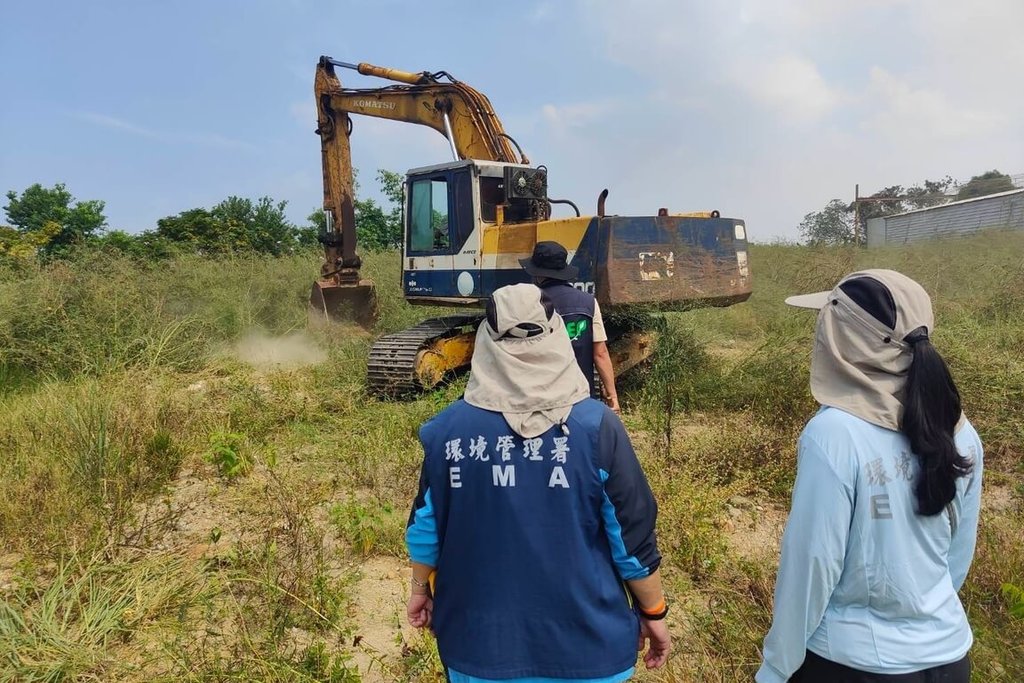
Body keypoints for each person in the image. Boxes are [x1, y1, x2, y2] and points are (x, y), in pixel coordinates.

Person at [405, 283, 671, 682]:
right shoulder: (598, 427)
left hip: (479, 650)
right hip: (589, 649)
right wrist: (654, 613)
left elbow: (425, 529)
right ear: (556, 338)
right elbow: (632, 540)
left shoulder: (447, 433)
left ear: (485, 343)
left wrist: (419, 590)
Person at [756, 269, 983, 683]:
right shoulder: (959, 429)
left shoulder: (834, 434)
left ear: (843, 341)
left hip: (852, 665)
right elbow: (957, 555)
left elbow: (812, 567)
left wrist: (775, 668)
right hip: (950, 659)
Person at [520, 241, 620, 413]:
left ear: (537, 274)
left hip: (540, 400)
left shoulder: (528, 304)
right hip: (581, 398)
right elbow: (600, 354)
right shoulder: (589, 303)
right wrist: (613, 397)